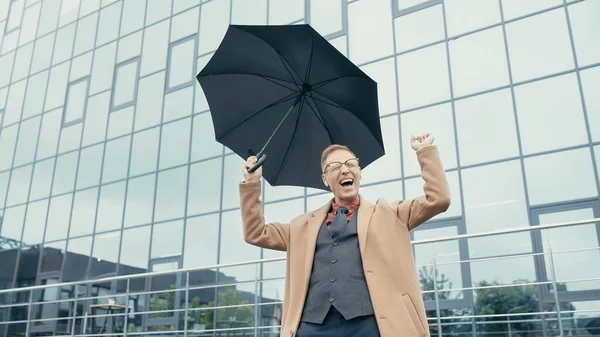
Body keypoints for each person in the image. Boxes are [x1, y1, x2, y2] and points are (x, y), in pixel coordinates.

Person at [239, 133, 450, 337]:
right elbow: (256, 233)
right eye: (335, 167)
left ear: (359, 173)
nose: (344, 170)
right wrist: (251, 184)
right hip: (312, 326)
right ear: (325, 179)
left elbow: (438, 199)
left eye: (350, 164)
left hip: (370, 326)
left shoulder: (391, 214)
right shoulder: (301, 226)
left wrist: (426, 152)